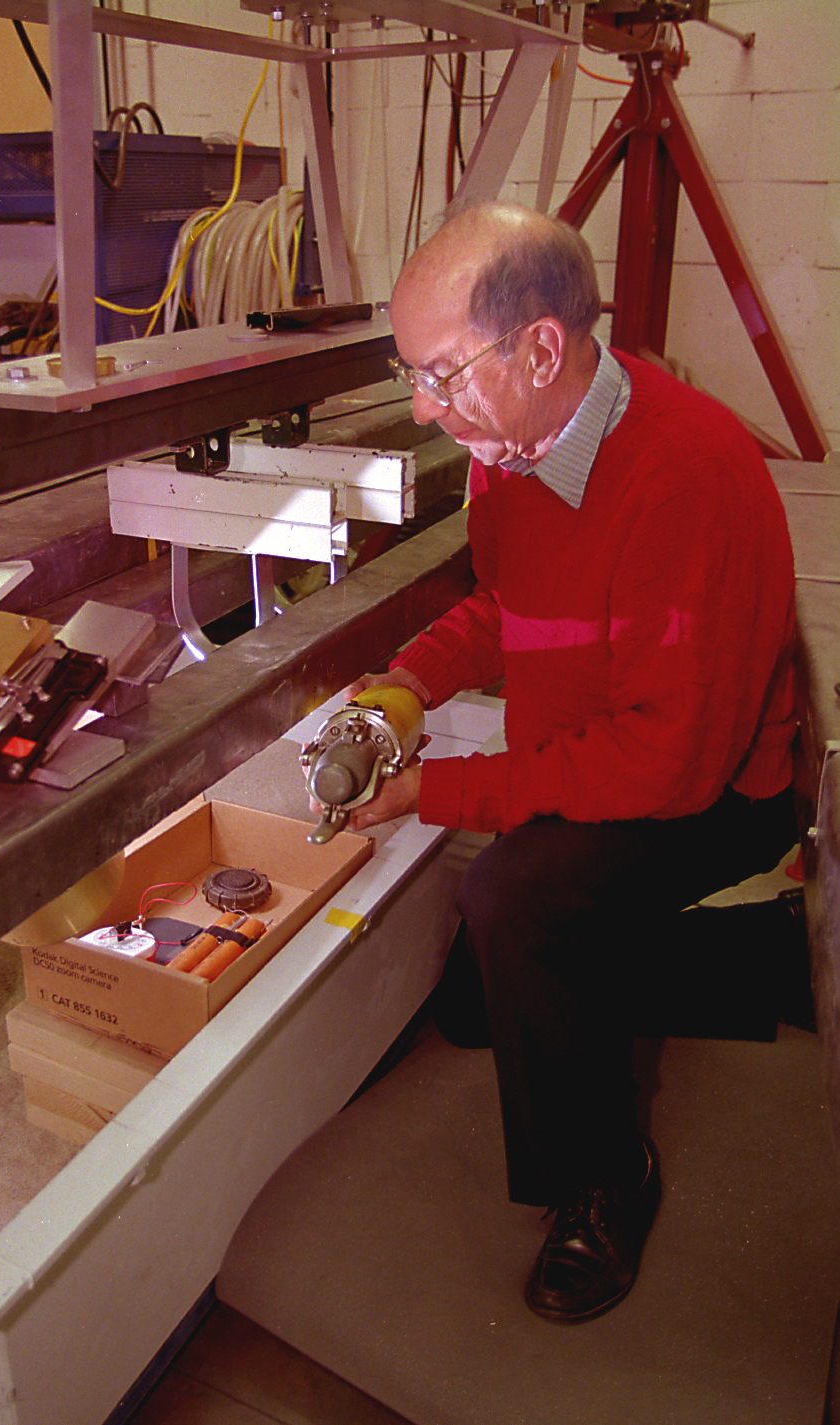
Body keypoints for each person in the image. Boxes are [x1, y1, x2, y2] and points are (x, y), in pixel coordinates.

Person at [339, 201, 800, 1324]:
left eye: (440, 373)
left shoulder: (686, 473)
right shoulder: (517, 441)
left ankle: (606, 1179)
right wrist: (406, 686)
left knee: (517, 902)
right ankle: (757, 964)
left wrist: (434, 793)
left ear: (542, 346)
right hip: (610, 745)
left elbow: (667, 772)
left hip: (716, 788)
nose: (422, 406)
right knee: (480, 1009)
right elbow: (505, 606)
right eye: (414, 375)